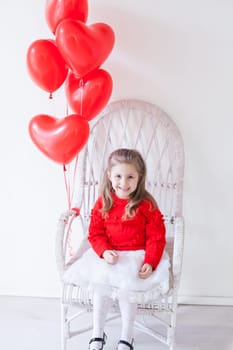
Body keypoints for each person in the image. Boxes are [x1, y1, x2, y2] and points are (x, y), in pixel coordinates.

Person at [63, 148, 170, 350]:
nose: (124, 182)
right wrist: (103, 251)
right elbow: (95, 233)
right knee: (100, 288)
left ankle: (126, 337)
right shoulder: (104, 202)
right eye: (118, 176)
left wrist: (150, 261)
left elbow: (156, 236)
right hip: (109, 256)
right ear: (109, 176)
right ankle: (97, 334)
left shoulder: (146, 204)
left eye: (130, 177)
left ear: (139, 178)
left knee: (128, 291)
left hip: (136, 257)